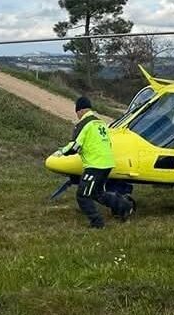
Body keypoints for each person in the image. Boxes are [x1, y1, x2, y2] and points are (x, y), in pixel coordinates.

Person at [54, 96, 133, 228]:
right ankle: (125, 206)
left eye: (76, 112)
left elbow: (74, 146)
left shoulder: (83, 124)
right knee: (97, 194)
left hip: (95, 165)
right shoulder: (100, 122)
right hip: (107, 163)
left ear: (79, 111)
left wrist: (61, 152)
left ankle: (97, 223)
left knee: (82, 195)